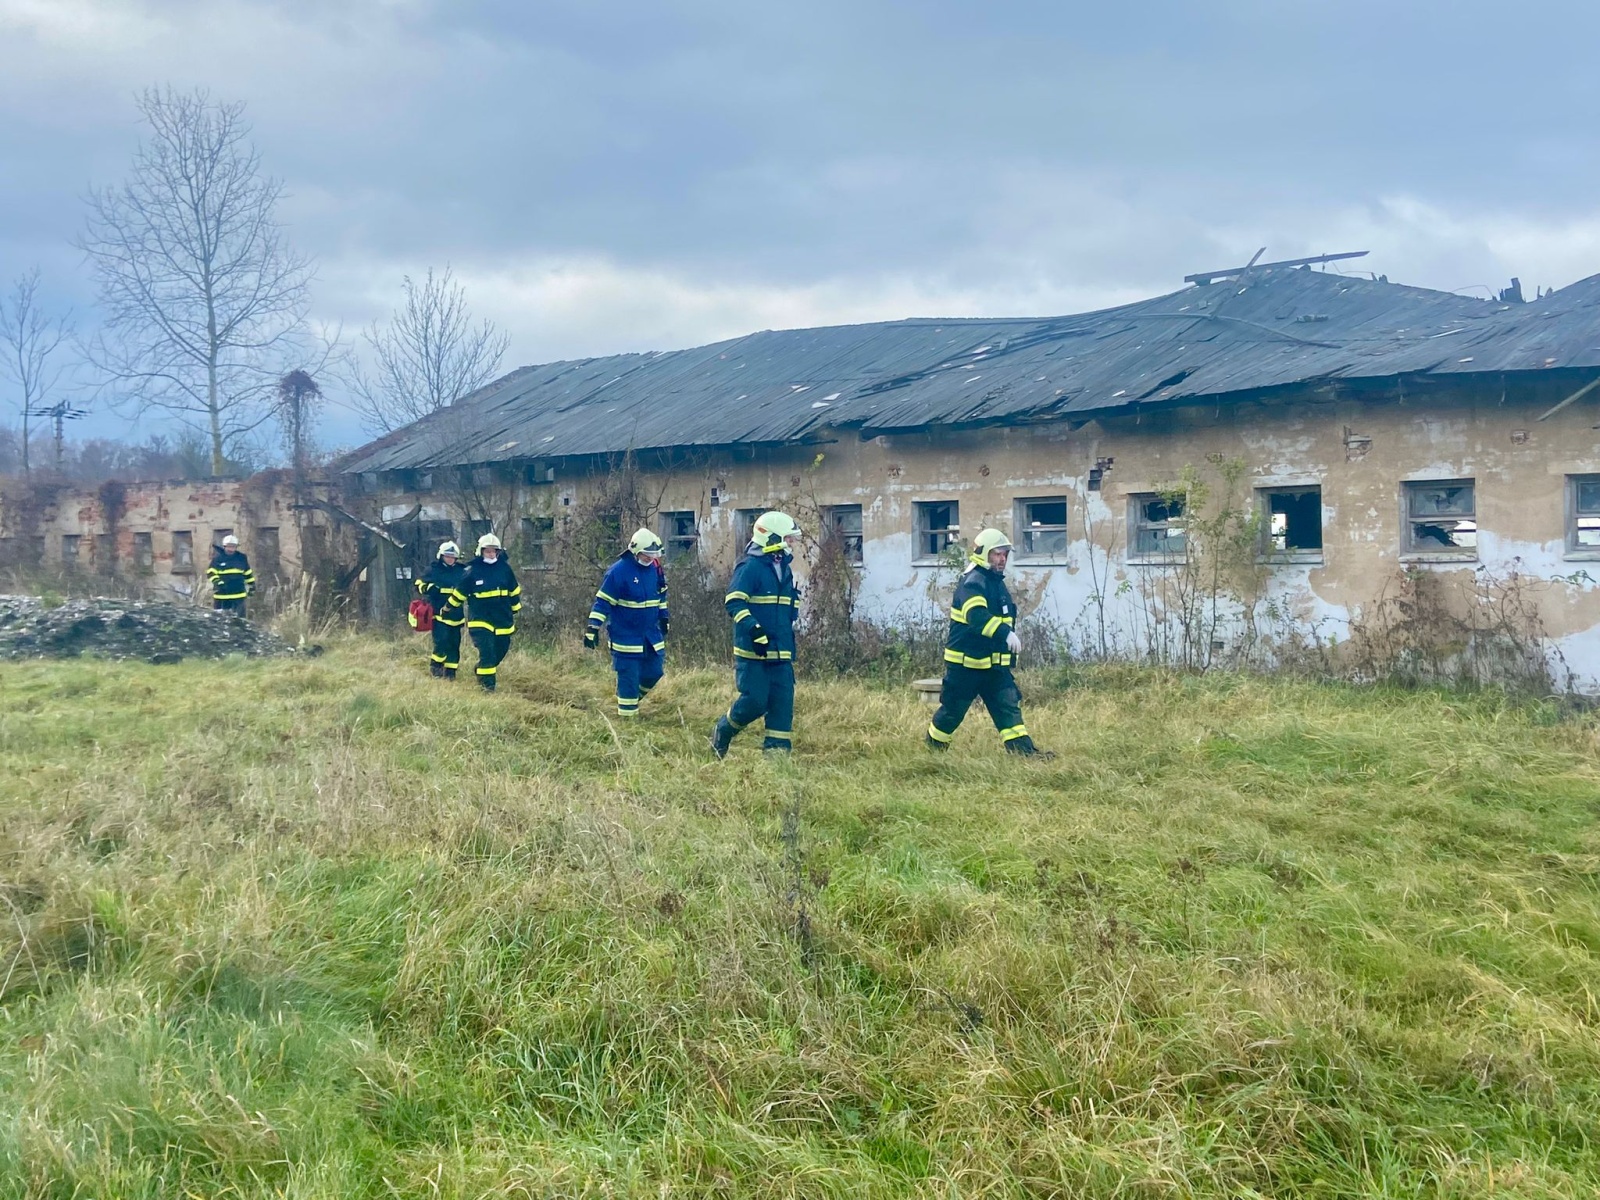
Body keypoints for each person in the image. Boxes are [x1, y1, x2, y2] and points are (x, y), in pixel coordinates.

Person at [926, 528, 1052, 758]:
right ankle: (933, 750)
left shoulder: (995, 582)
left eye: (1005, 554)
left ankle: (1024, 754)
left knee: (1008, 707)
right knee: (953, 712)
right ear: (983, 554)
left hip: (993, 666)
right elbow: (976, 616)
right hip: (966, 666)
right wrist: (1005, 633)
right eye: (997, 554)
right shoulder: (973, 582)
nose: (1002, 559)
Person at [711, 510, 801, 758]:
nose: (792, 542)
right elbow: (734, 602)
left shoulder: (784, 568)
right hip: (753, 653)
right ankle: (724, 730)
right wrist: (754, 629)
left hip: (781, 652)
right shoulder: (749, 567)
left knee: (782, 705)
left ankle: (776, 761)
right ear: (772, 538)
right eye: (788, 538)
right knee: (755, 701)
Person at [585, 528, 671, 717]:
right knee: (629, 680)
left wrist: (664, 617)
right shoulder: (618, 572)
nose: (650, 558)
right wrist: (593, 628)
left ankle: (631, 700)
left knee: (655, 672)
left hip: (651, 636)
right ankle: (628, 722)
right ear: (635, 551)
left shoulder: (655, 569)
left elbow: (661, 596)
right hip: (626, 638)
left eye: (653, 555)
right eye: (647, 555)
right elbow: (603, 602)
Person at [439, 532, 521, 691]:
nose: (491, 554)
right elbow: (459, 593)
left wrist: (515, 608)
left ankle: (481, 669)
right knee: (487, 652)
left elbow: (514, 591)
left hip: (502, 619)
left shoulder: (505, 569)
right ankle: (487, 687)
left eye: (493, 551)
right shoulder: (472, 570)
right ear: (481, 551)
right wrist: (447, 608)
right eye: (487, 551)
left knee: (500, 650)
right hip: (480, 619)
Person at [416, 540, 471, 678]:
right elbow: (419, 584)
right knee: (441, 642)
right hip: (438, 613)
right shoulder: (433, 570)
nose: (450, 559)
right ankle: (436, 668)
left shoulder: (462, 571)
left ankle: (451, 673)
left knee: (454, 644)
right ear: (441, 556)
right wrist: (429, 588)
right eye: (447, 556)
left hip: (456, 614)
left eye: (453, 557)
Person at [207, 534, 255, 616]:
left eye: (233, 547)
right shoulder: (217, 559)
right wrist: (218, 582)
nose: (231, 549)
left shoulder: (241, 558)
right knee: (221, 620)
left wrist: (252, 585)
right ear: (224, 546)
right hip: (222, 596)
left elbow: (247, 572)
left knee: (240, 620)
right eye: (229, 546)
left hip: (239, 596)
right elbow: (211, 573)